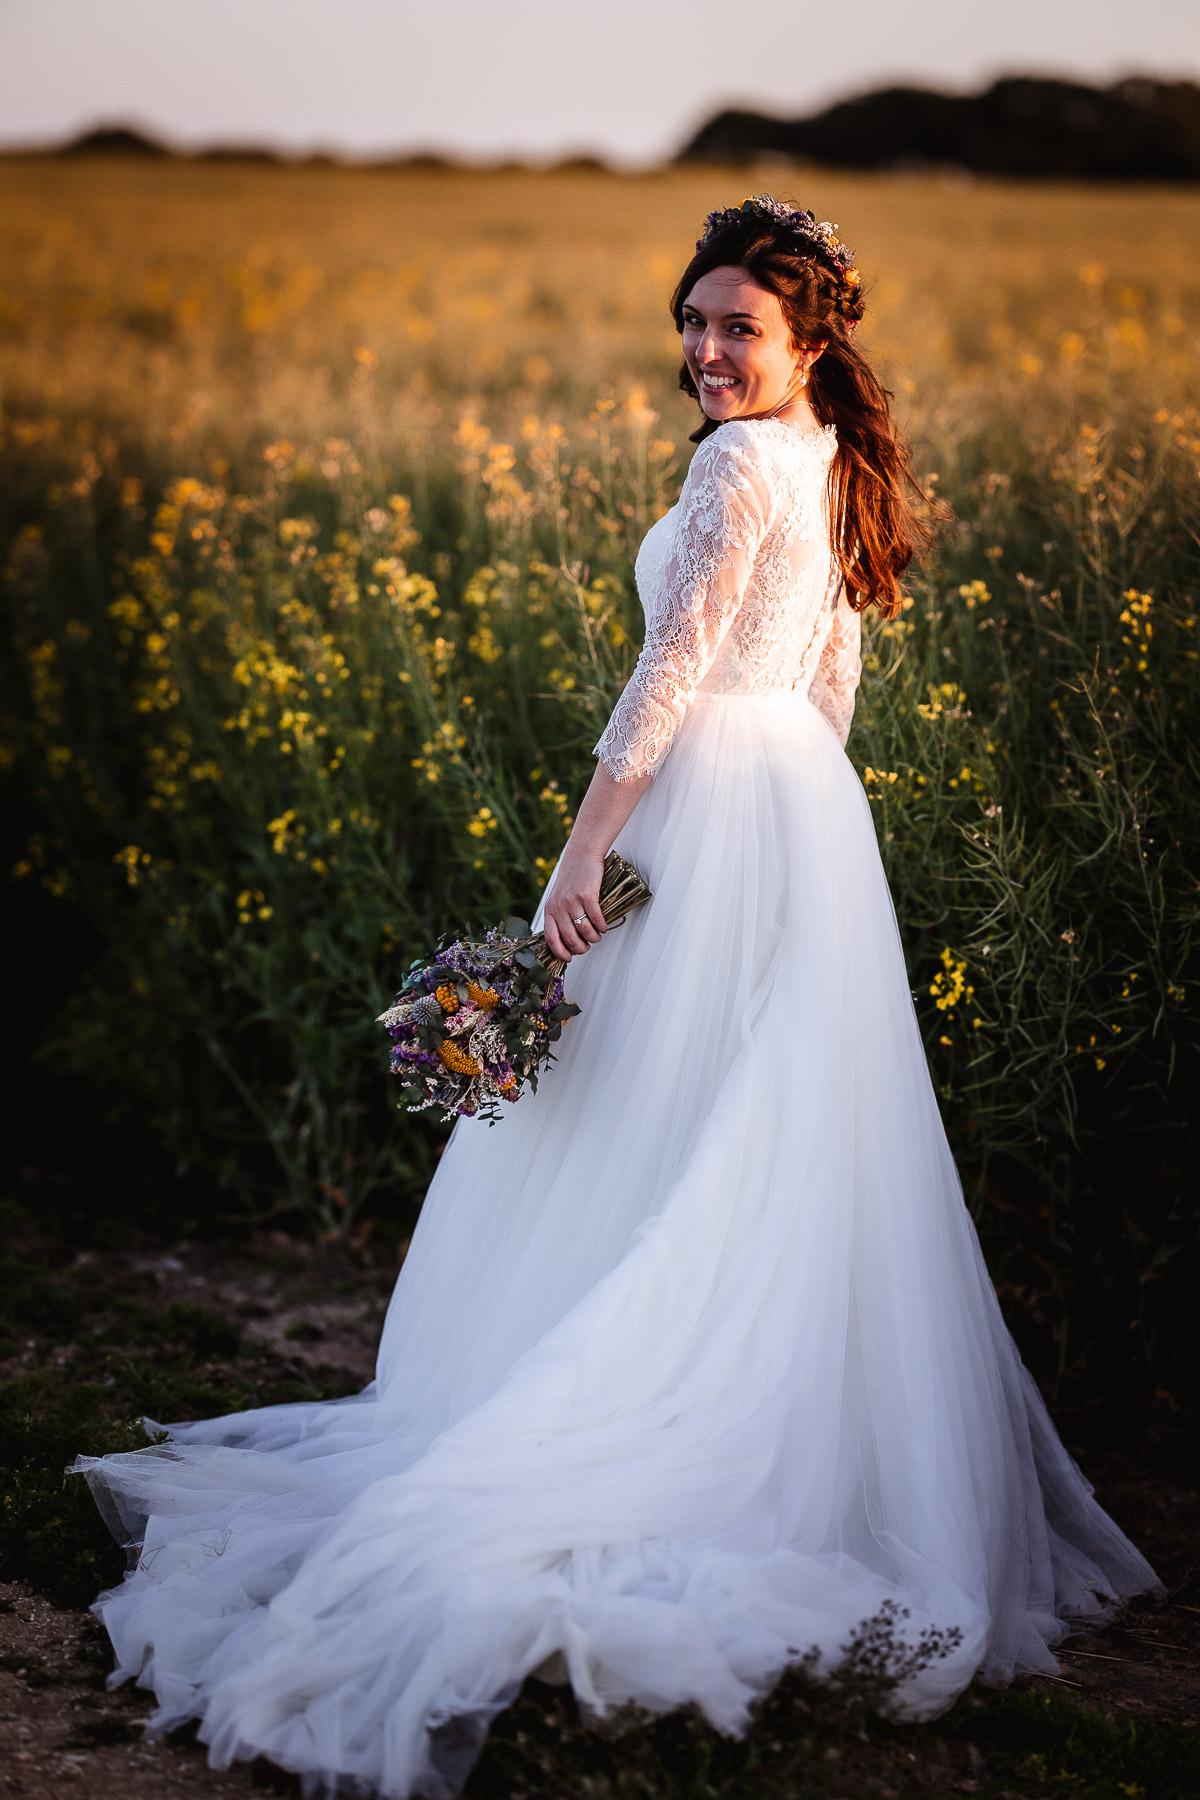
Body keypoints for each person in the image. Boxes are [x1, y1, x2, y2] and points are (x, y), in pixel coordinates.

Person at [74, 195, 1158, 1800]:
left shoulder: (734, 465)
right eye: (696, 321)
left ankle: (602, 1415)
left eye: (742, 328)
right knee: (760, 1128)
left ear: (809, 342)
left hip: (703, 797)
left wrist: (582, 862)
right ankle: (797, 1448)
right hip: (798, 816)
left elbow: (670, 675)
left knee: (634, 1113)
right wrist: (797, 846)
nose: (708, 352)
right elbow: (831, 685)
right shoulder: (829, 460)